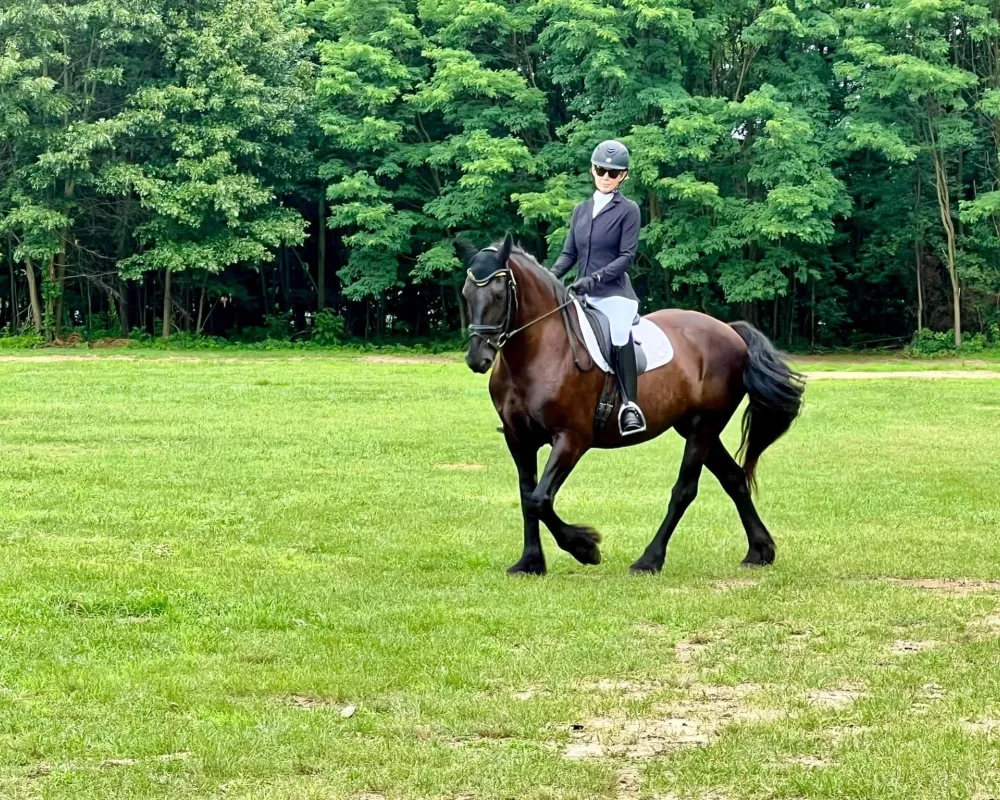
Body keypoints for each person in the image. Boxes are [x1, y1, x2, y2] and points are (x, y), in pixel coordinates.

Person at [551, 140, 645, 435]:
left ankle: (631, 405)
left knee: (618, 332)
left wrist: (593, 279)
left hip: (613, 294)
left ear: (624, 177)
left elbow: (626, 257)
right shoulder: (581, 210)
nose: (606, 177)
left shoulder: (628, 210)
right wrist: (550, 277)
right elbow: (569, 255)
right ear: (592, 170)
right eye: (601, 170)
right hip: (580, 294)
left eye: (614, 173)